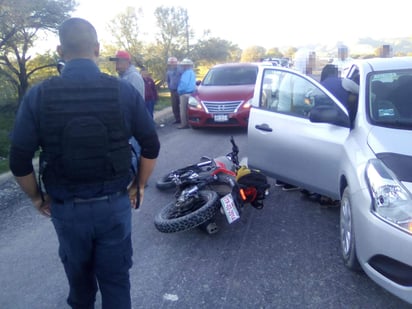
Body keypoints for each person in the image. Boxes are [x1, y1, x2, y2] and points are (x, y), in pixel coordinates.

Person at [8, 17, 160, 308]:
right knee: (116, 284)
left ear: (59, 50)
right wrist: (138, 186)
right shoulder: (123, 91)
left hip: (67, 210)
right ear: (98, 48)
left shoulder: (38, 95)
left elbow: (18, 159)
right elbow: (151, 144)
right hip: (114, 206)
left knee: (80, 284)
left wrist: (37, 198)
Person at [177, 58, 196, 129]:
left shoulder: (186, 73)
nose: (183, 67)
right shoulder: (192, 72)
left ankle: (184, 124)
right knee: (189, 109)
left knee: (183, 110)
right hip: (191, 92)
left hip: (184, 93)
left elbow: (184, 84)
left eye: (184, 65)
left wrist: (180, 91)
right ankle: (189, 122)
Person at [166, 56, 181, 123]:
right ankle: (177, 119)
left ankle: (184, 119)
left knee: (182, 106)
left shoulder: (180, 70)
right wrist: (170, 87)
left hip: (180, 91)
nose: (172, 64)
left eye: (174, 62)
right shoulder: (169, 71)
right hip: (173, 90)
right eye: (171, 63)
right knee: (174, 106)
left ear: (176, 63)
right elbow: (168, 80)